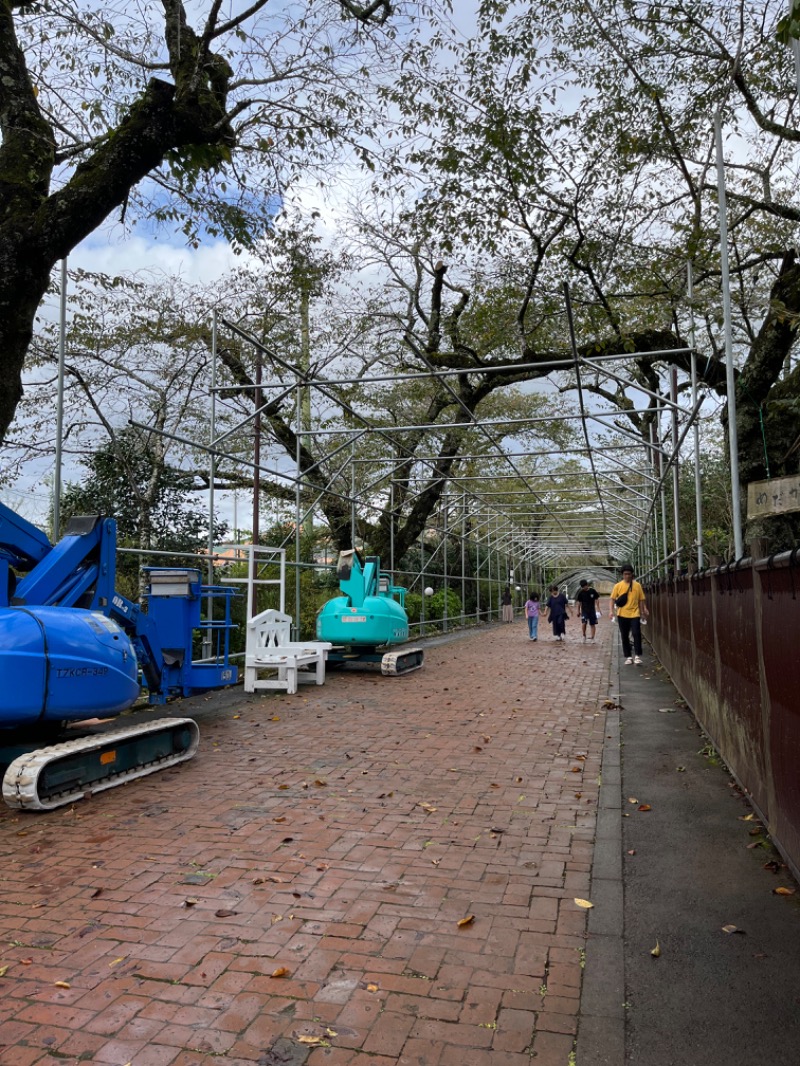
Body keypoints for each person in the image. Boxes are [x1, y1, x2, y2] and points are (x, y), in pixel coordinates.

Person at [610, 564, 649, 665]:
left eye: (629, 574)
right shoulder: (618, 586)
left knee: (636, 633)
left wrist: (644, 609)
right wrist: (611, 611)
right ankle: (628, 656)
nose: (627, 576)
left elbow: (641, 599)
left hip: (635, 614)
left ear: (632, 575)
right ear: (622, 575)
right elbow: (612, 599)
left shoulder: (637, 585)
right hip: (622, 614)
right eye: (625, 574)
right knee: (624, 636)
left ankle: (637, 656)